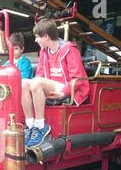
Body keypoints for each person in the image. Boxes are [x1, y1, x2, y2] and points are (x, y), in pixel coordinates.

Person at [22, 18, 89, 148]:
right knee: (23, 83)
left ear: (46, 36)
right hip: (52, 87)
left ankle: (41, 126)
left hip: (69, 90)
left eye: (37, 37)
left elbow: (77, 78)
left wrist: (63, 92)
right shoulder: (44, 52)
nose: (35, 40)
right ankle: (30, 126)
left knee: (35, 82)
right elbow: (40, 74)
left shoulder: (70, 49)